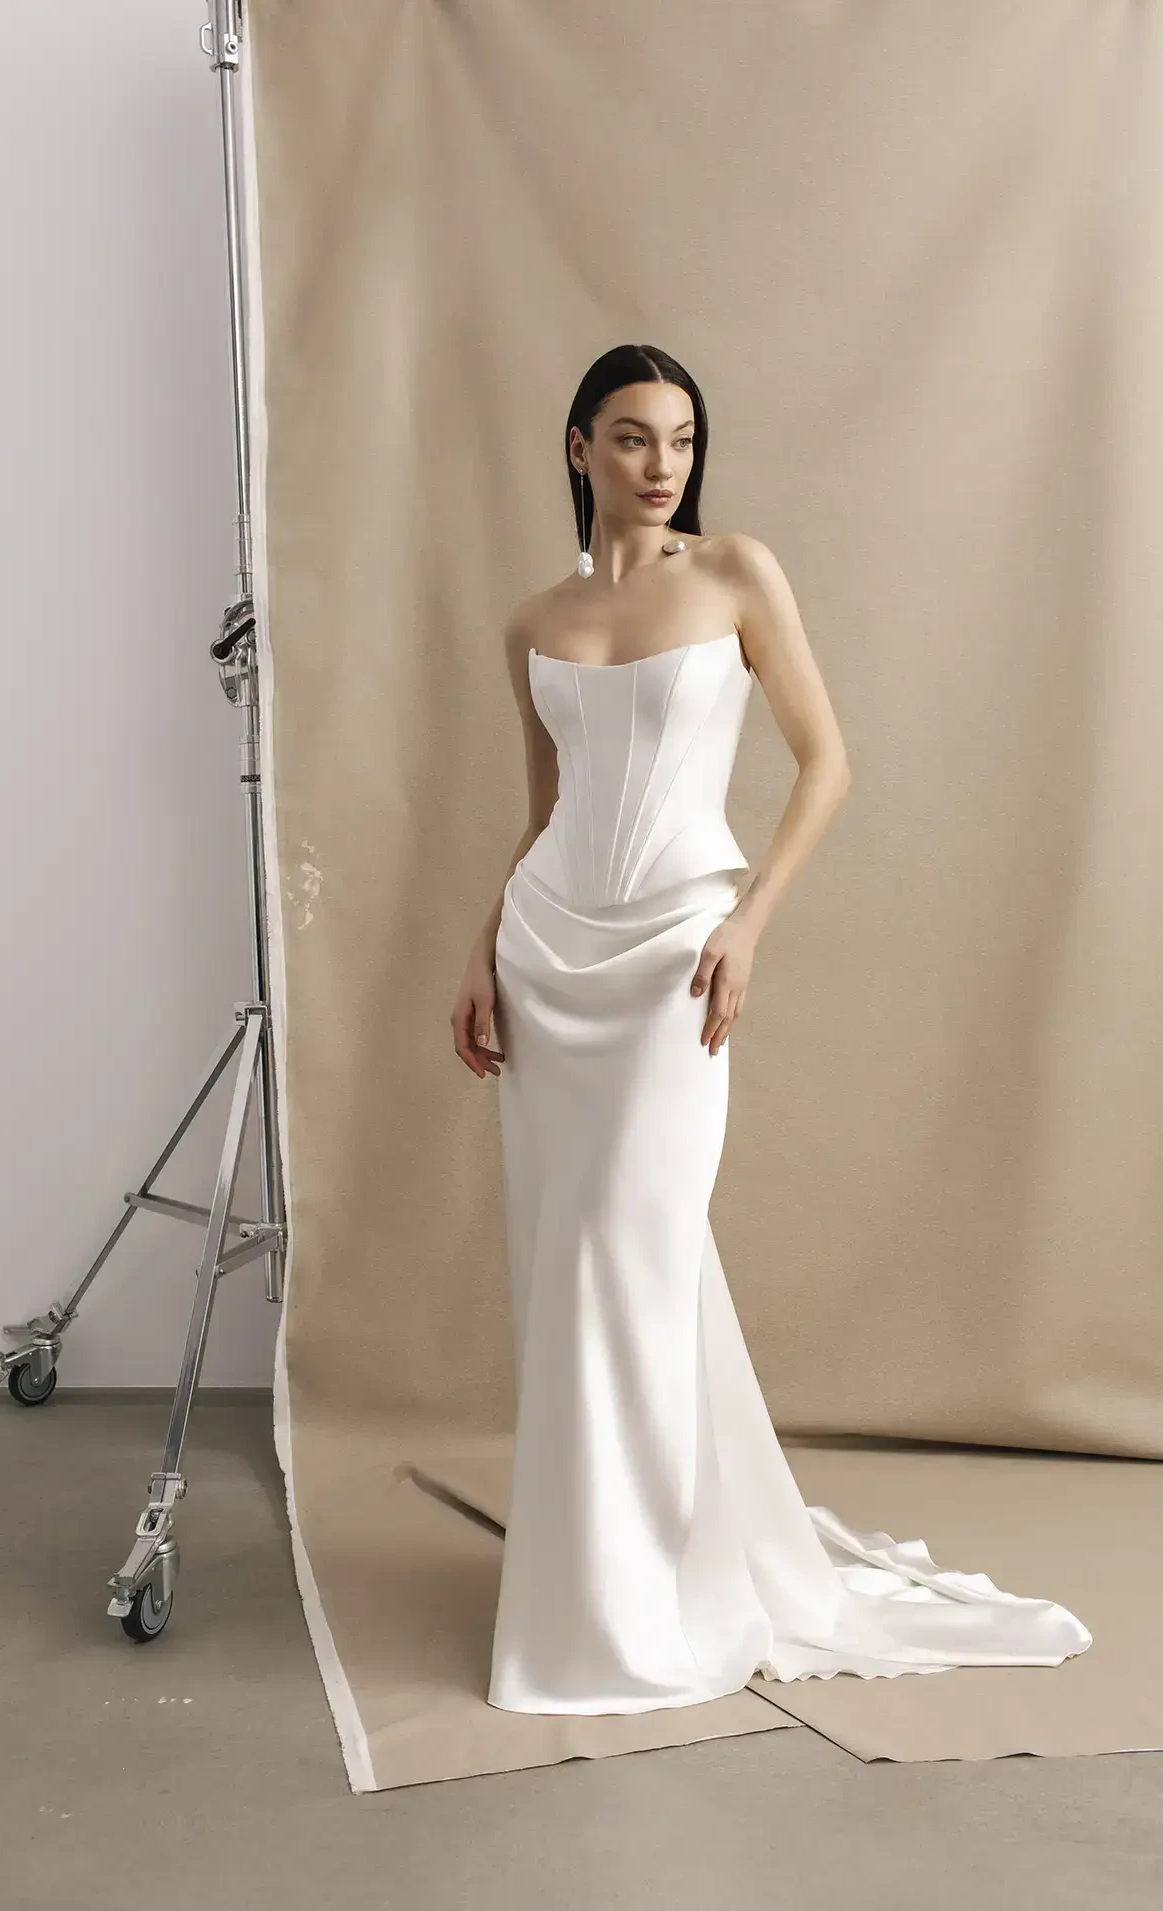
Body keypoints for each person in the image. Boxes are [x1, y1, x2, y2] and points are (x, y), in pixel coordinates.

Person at [450, 342, 1091, 1715]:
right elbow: (546, 808)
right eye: (629, 438)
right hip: (548, 954)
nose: (661, 461)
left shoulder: (737, 571)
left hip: (678, 943)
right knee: (571, 1264)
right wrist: (479, 947)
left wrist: (748, 921)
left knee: (638, 1247)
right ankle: (592, 1584)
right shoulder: (533, 623)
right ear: (578, 450)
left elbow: (829, 762)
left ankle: (647, 1592)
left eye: (679, 437)